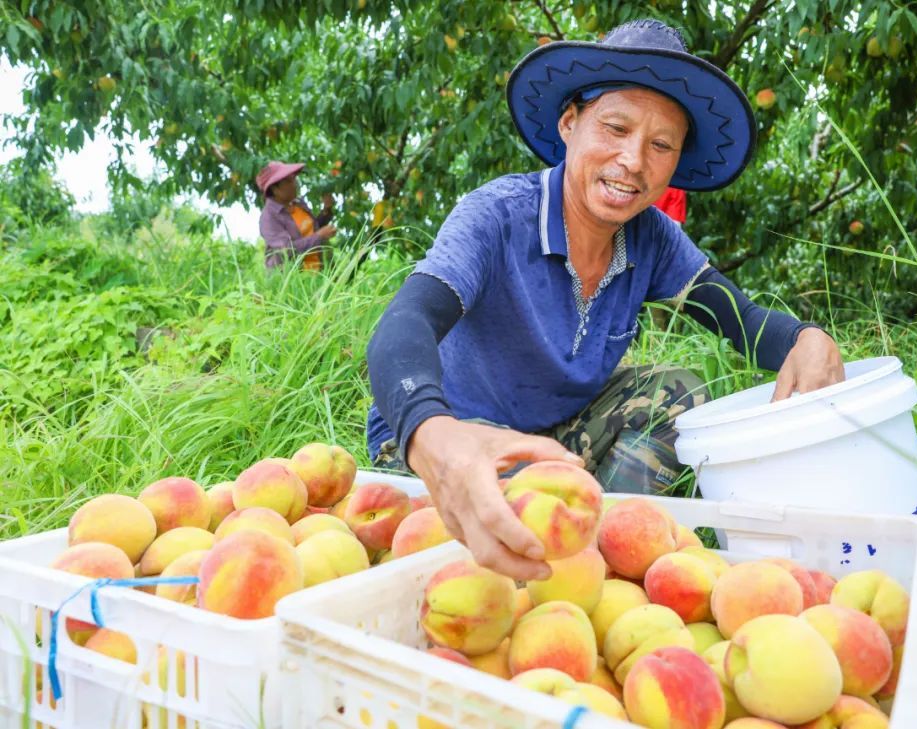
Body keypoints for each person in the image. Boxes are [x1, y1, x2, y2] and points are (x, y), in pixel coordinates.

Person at [365, 20, 845, 580]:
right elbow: (406, 323)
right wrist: (433, 434)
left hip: (552, 435)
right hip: (451, 439)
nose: (634, 161)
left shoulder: (652, 239)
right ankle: (558, 541)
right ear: (570, 123)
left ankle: (609, 553)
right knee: (497, 547)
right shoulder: (498, 215)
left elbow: (743, 321)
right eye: (615, 128)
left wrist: (806, 337)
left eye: (661, 145)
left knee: (677, 392)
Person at [256, 160, 336, 270]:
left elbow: (311, 229)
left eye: (294, 179)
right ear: (275, 189)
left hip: (318, 273)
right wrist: (319, 236)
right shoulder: (269, 217)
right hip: (293, 277)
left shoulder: (298, 204)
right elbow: (286, 250)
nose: (295, 184)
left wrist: (326, 210)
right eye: (289, 181)